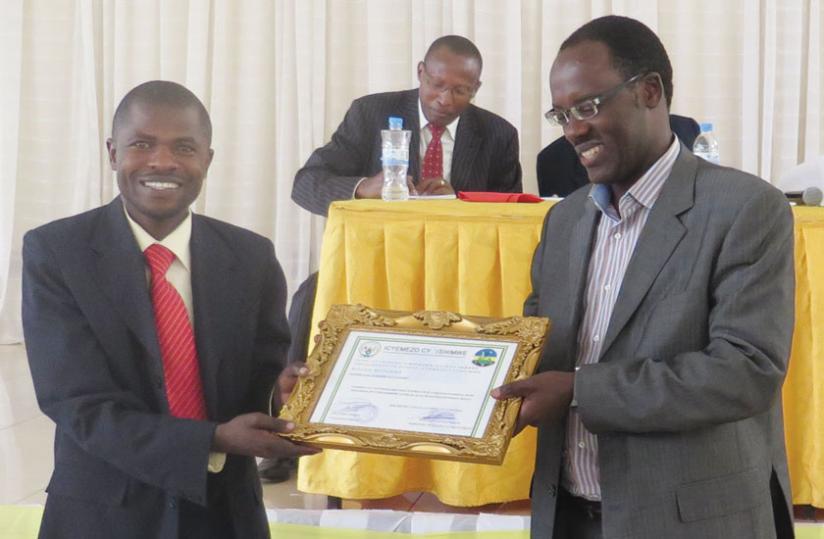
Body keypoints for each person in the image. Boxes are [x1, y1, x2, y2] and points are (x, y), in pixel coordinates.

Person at [492, 16, 795, 539]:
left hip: (693, 522)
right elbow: (538, 343)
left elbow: (745, 372)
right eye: (561, 114)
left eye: (587, 107)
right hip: (567, 516)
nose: (572, 130)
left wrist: (582, 391)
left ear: (649, 91)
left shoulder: (745, 208)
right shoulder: (563, 220)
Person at [22, 80, 319, 539]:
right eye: (141, 144)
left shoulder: (251, 257)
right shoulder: (57, 253)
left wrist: (280, 395)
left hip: (225, 510)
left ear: (208, 159)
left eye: (184, 147)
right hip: (105, 511)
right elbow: (78, 404)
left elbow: (261, 379)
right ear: (112, 153)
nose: (162, 162)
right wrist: (212, 440)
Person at [291, 34, 523, 217]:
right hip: (380, 258)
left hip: (460, 264)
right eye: (436, 84)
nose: (445, 99)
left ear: (476, 88)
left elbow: (512, 216)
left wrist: (459, 205)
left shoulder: (499, 135)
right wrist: (363, 188)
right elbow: (306, 184)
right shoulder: (370, 114)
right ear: (421, 72)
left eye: (460, 91)